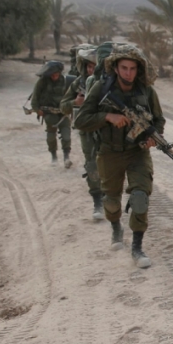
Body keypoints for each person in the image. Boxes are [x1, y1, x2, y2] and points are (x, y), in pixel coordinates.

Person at [75, 44, 165, 268]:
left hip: (137, 153)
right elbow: (80, 120)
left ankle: (137, 247)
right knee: (112, 202)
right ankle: (116, 227)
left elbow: (158, 120)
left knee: (140, 197)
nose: (128, 73)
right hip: (109, 153)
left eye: (133, 68)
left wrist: (152, 137)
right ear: (115, 68)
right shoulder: (99, 88)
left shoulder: (146, 91)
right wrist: (107, 116)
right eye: (124, 68)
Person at [60, 47, 104, 220]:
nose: (91, 70)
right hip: (87, 132)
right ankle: (98, 201)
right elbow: (62, 106)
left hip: (107, 130)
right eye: (89, 66)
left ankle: (109, 197)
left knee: (110, 166)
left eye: (95, 66)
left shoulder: (108, 82)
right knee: (92, 166)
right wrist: (75, 101)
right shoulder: (78, 83)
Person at [31, 60, 72, 167]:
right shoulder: (42, 82)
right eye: (52, 75)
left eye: (56, 74)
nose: (55, 77)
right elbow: (35, 98)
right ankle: (54, 156)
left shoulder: (66, 81)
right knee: (51, 137)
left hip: (63, 113)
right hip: (49, 114)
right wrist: (37, 110)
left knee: (66, 136)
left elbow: (72, 96)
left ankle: (66, 157)